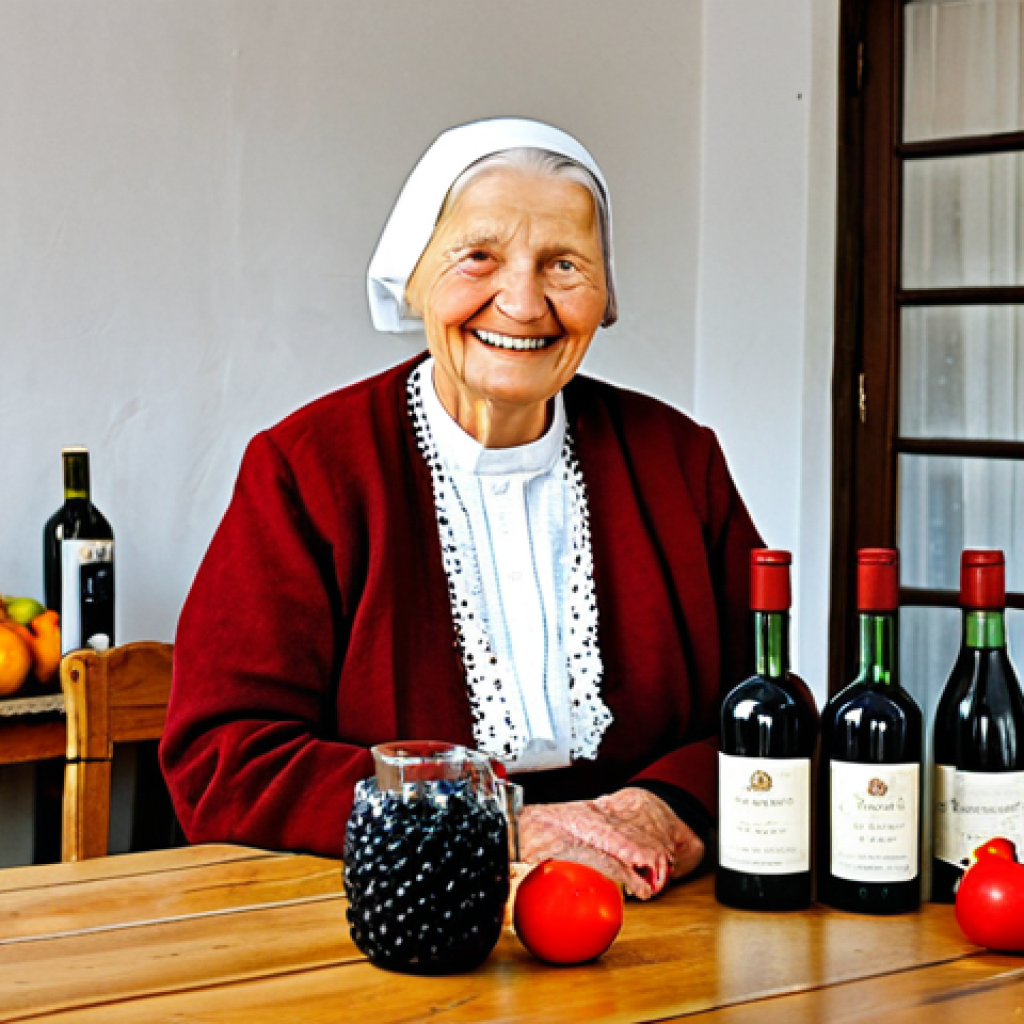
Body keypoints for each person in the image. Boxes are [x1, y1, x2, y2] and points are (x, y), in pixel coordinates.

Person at [160, 118, 762, 898]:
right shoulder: (308, 469)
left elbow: (773, 711)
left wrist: (663, 811)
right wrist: (493, 823)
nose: (522, 300)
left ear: (606, 295)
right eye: (479, 257)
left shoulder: (681, 462)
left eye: (564, 264)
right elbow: (224, 759)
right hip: (389, 918)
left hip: (652, 904)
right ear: (412, 278)